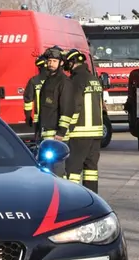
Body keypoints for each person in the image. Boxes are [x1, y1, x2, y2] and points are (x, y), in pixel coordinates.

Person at [63, 48, 105, 192]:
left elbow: (75, 105)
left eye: (67, 62)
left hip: (80, 133)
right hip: (96, 133)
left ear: (72, 63)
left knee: (72, 170)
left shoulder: (75, 81)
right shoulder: (94, 80)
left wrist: (68, 128)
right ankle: (93, 199)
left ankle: (72, 199)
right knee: (91, 170)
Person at [36, 46, 76, 178]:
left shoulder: (64, 82)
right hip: (45, 134)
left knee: (58, 172)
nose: (51, 64)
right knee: (46, 172)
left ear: (61, 63)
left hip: (57, 136)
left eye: (54, 61)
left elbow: (67, 109)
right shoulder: (48, 81)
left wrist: (61, 133)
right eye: (49, 61)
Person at [23, 54, 48, 140]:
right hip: (55, 120)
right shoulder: (57, 79)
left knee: (40, 145)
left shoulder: (34, 81)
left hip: (39, 120)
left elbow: (28, 100)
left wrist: (28, 117)